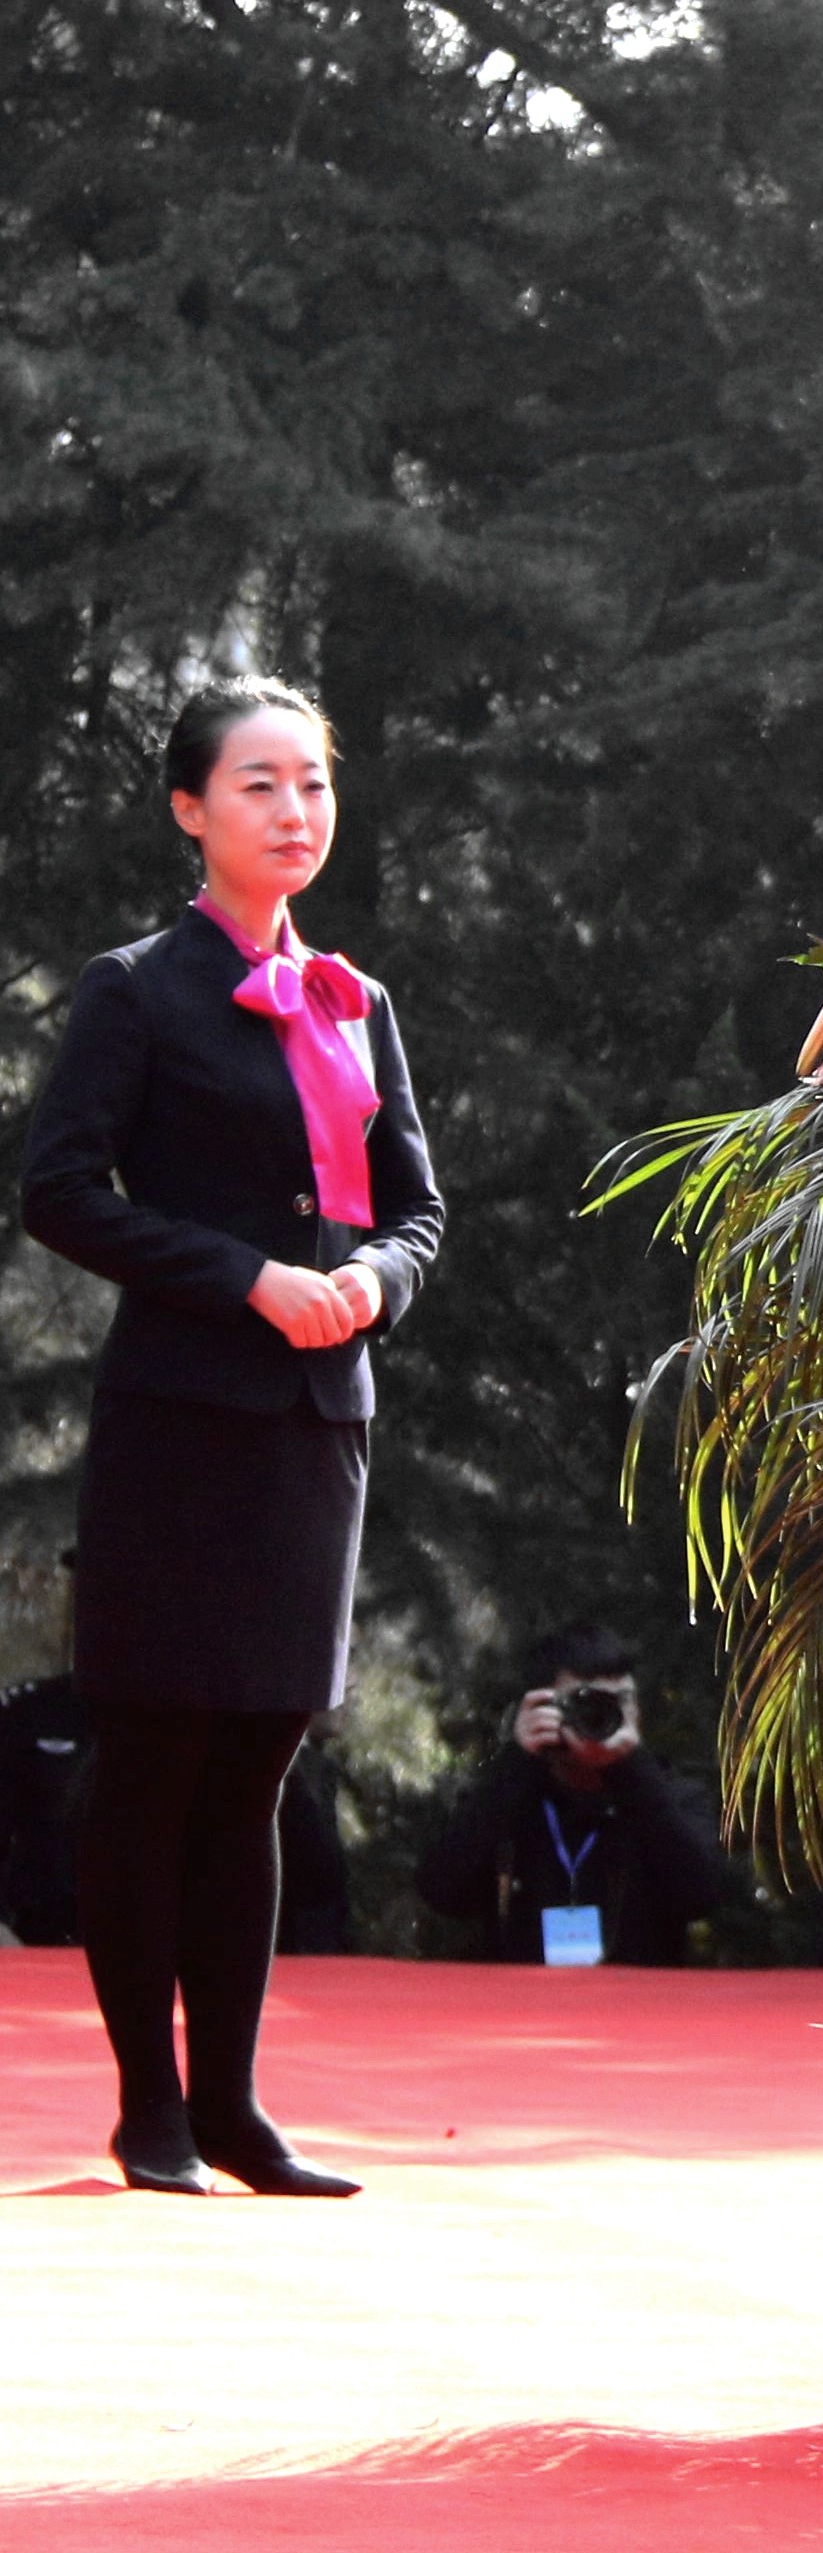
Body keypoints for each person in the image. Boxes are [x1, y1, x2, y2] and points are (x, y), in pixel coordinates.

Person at [18, 678, 443, 2197]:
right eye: (258, 784)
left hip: (318, 1425)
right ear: (190, 810)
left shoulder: (355, 999)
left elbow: (417, 1211)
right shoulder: (137, 989)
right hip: (180, 1420)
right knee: (156, 1755)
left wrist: (371, 1283)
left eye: (311, 782)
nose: (293, 809)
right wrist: (247, 1278)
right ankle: (150, 2107)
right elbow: (62, 1191)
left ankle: (236, 2112)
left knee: (259, 1760)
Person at [416, 1633, 728, 1967]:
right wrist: (518, 1760)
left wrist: (631, 1769)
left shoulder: (671, 1794)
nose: (598, 1715)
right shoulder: (512, 1795)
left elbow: (702, 1896)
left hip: (638, 1995)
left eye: (617, 1701)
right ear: (542, 1708)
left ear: (637, 1709)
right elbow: (443, 1892)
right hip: (523, 1994)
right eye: (583, 1702)